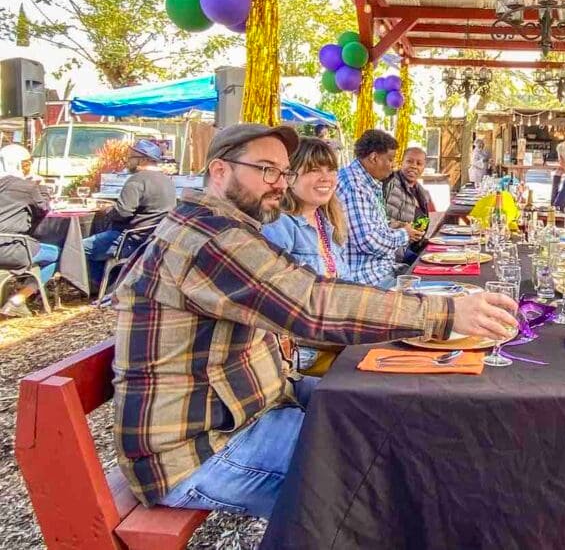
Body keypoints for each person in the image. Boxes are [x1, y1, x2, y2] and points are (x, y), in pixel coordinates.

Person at [111, 123, 519, 519]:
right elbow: (311, 303)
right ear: (220, 171)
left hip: (252, 407)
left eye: (283, 172)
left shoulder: (225, 228)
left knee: (396, 415)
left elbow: (307, 291)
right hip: (198, 450)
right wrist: (444, 314)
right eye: (267, 170)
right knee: (388, 476)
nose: (279, 183)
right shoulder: (209, 240)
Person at [262, 136, 350, 375]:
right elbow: (277, 312)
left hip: (336, 343)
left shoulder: (328, 222)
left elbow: (345, 292)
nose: (326, 178)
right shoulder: (278, 226)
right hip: (303, 357)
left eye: (331, 169)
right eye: (313, 170)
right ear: (289, 177)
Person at [82, 140, 176, 294]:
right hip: (153, 239)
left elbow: (123, 213)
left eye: (132, 157)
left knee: (78, 247)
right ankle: (110, 286)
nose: (128, 160)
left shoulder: (137, 179)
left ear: (143, 159)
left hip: (130, 240)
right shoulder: (168, 181)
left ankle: (101, 288)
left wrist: (108, 210)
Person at [337, 130, 422, 288]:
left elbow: (369, 225)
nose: (392, 166)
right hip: (368, 281)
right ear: (374, 157)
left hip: (382, 271)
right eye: (390, 159)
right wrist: (405, 234)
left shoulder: (365, 181)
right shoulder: (355, 186)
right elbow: (368, 241)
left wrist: (392, 226)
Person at [0, 144, 57, 318]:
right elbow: (44, 209)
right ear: (19, 165)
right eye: (26, 164)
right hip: (14, 249)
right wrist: (40, 186)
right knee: (58, 254)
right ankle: (19, 299)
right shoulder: (26, 187)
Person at [382, 146, 435, 264]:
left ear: (423, 167)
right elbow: (380, 221)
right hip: (396, 252)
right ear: (402, 163)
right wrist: (404, 230)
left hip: (415, 246)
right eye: (409, 161)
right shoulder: (390, 183)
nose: (414, 166)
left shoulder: (421, 192)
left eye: (419, 163)